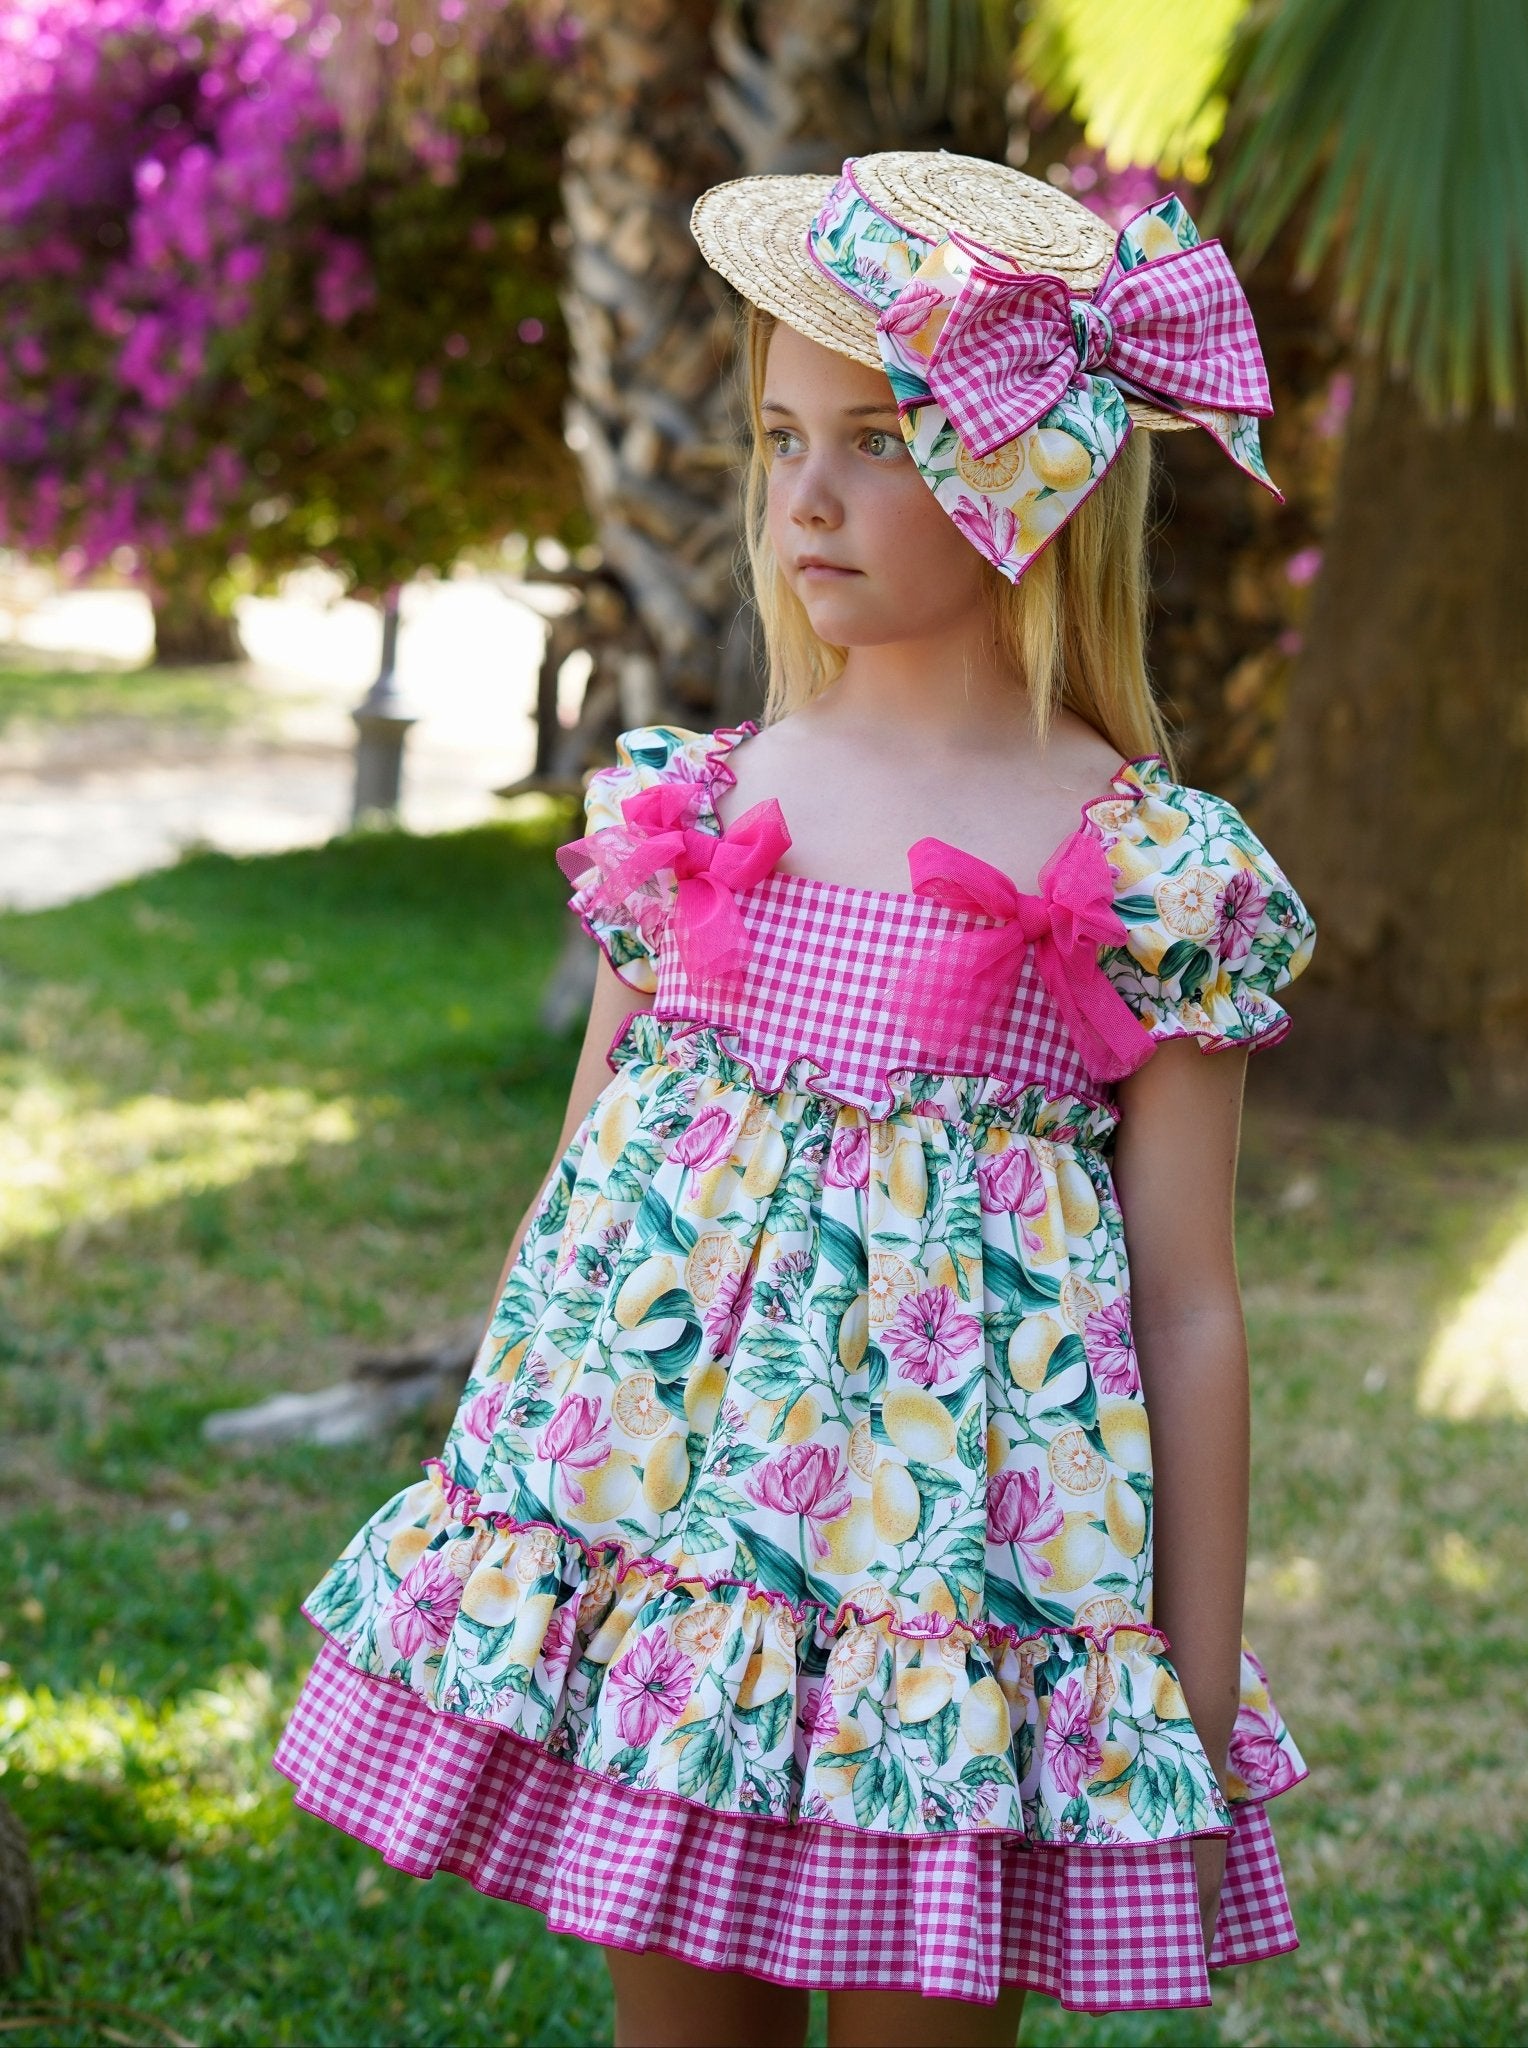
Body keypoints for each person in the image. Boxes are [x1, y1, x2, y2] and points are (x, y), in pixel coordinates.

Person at [273, 150, 1316, 2048]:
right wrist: (511, 1501)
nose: (807, 495)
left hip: (958, 1612)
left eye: (881, 439)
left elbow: (1185, 1295)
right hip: (667, 1567)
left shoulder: (1142, 862)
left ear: (1032, 467)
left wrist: (1196, 1655)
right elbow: (588, 1180)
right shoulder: (699, 808)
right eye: (779, 435)